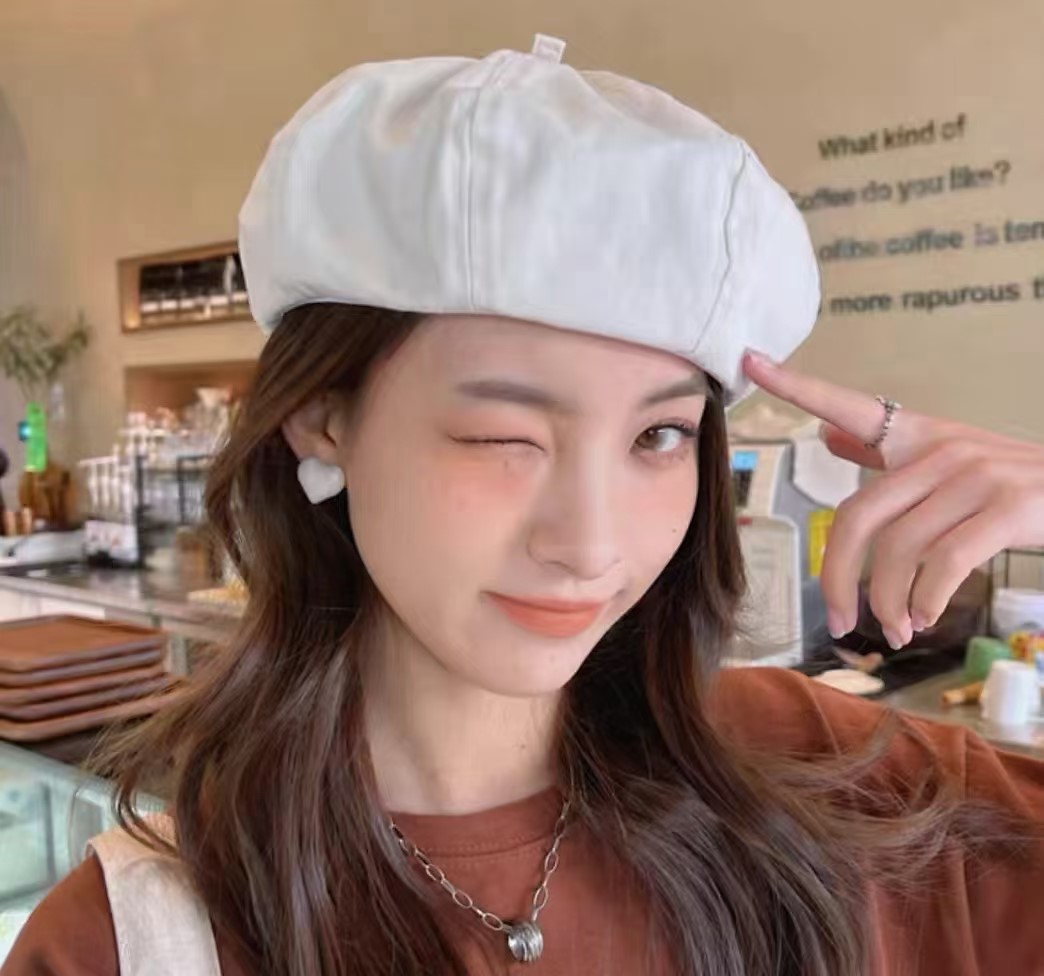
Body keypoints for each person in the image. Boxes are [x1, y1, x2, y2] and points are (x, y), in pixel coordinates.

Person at [5, 34, 1043, 976]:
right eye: (505, 436)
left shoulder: (839, 779)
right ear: (323, 419)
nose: (590, 544)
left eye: (658, 436)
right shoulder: (131, 944)